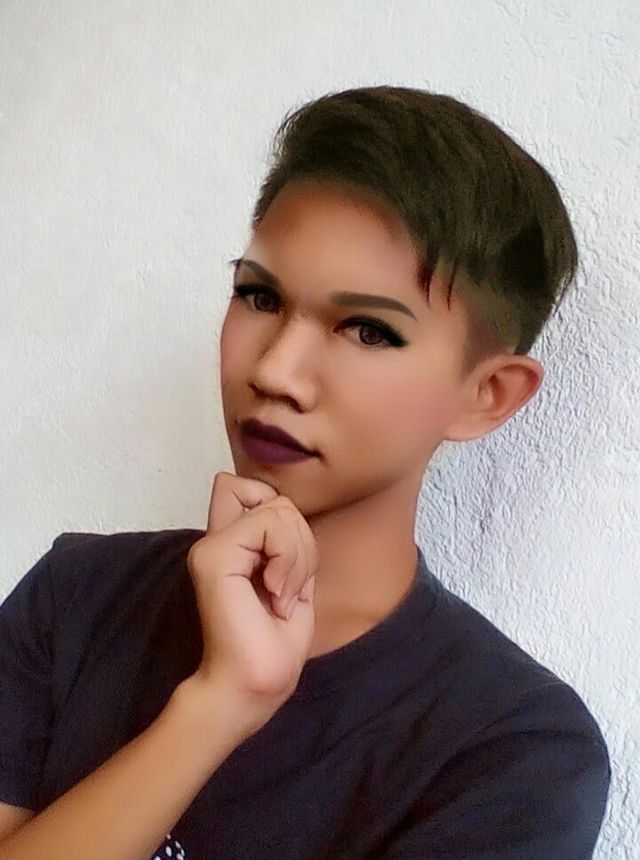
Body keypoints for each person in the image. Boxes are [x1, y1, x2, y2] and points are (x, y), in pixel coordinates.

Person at [0, 85, 610, 859]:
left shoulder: (511, 749)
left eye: (368, 331)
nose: (275, 371)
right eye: (259, 296)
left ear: (486, 395)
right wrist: (218, 704)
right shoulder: (79, 596)